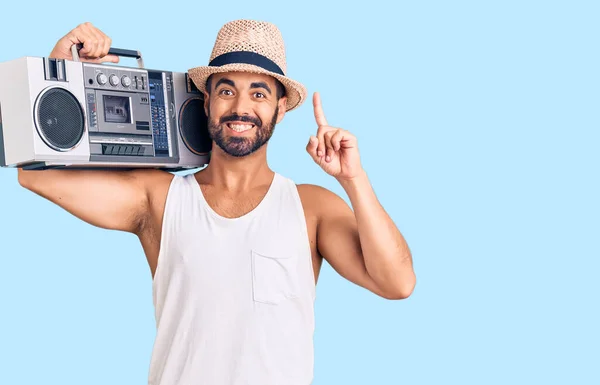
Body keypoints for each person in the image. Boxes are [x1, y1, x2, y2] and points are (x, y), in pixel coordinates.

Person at [17, 20, 416, 385]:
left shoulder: (311, 207)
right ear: (207, 101)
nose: (240, 108)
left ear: (280, 107)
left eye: (258, 93)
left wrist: (353, 179)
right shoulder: (158, 198)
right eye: (227, 90)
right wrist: (65, 69)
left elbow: (397, 283)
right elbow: (34, 172)